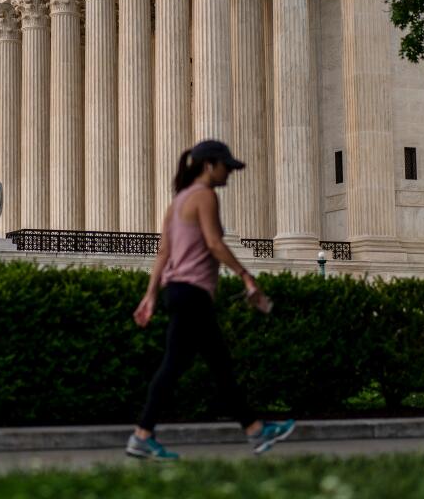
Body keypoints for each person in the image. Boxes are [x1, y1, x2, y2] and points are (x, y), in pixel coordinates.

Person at [125, 139, 296, 461]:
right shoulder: (205, 196)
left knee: (212, 366)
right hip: (192, 292)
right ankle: (142, 435)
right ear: (208, 165)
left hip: (177, 291)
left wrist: (150, 295)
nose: (228, 173)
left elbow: (163, 252)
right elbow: (215, 243)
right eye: (225, 167)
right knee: (186, 367)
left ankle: (255, 431)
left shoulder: (177, 202)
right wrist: (246, 277)